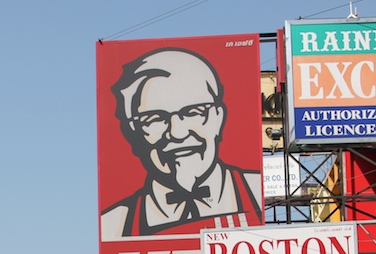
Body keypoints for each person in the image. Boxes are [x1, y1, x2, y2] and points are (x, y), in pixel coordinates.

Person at [101, 47, 263, 240]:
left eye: (194, 112)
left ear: (218, 118)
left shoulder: (256, 192)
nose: (177, 133)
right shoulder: (114, 224)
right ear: (133, 132)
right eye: (154, 118)